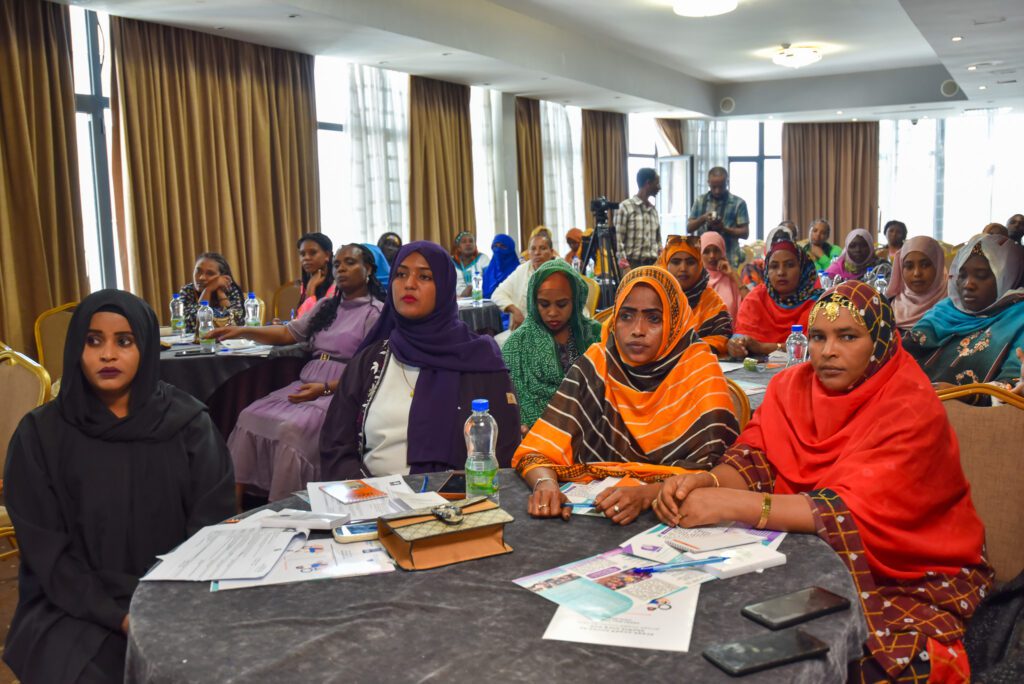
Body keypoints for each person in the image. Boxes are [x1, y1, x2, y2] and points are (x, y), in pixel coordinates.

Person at [653, 281, 992, 682]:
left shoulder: (910, 405)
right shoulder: (790, 388)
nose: (828, 351)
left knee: (855, 664)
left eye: (848, 336)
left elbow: (853, 511)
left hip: (908, 574)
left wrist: (731, 504)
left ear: (881, 341)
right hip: (803, 554)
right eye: (818, 337)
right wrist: (707, 482)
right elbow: (755, 460)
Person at [3, 290, 235, 683]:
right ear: (76, 347)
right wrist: (121, 617)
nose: (107, 355)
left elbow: (210, 532)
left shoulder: (189, 425)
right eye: (93, 341)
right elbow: (49, 555)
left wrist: (164, 606)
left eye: (124, 341)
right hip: (69, 603)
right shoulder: (39, 436)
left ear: (145, 346)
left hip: (174, 596)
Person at [516, 266, 739, 526]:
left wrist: (647, 494)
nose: (637, 330)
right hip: (592, 521)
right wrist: (545, 484)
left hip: (677, 520)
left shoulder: (698, 369)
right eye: (626, 316)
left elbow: (716, 475)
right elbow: (538, 449)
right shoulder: (598, 365)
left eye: (654, 318)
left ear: (675, 321)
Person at [319, 241, 520, 478]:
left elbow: (504, 448)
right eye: (401, 274)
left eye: (424, 277)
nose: (409, 284)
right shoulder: (370, 361)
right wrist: (369, 495)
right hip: (373, 501)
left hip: (460, 502)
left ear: (445, 287)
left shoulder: (481, 359)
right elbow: (336, 446)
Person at [209, 245, 385, 501]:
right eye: (337, 264)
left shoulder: (375, 312)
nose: (341, 269)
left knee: (293, 430)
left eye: (349, 263)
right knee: (249, 416)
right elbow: (288, 333)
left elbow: (371, 369)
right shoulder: (327, 305)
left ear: (367, 269)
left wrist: (325, 388)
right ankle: (232, 509)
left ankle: (285, 507)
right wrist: (241, 330)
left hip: (341, 387)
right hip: (307, 380)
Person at [904, 234, 1024, 389]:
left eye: (981, 276)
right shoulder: (946, 309)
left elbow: (1015, 386)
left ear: (1008, 277)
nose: (968, 284)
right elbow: (906, 347)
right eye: (962, 275)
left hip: (972, 411)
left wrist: (961, 394)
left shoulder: (1018, 320)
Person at [502, 260, 602, 430]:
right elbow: (511, 399)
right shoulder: (517, 344)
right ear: (534, 303)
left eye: (562, 304)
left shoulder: (594, 335)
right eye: (544, 304)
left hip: (594, 430)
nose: (553, 313)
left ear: (576, 301)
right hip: (537, 435)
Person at [728, 239, 823, 358]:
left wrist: (762, 347)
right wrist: (736, 345)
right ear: (767, 270)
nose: (781, 272)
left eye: (789, 265)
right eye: (774, 266)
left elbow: (815, 346)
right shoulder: (756, 298)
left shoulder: (818, 303)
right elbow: (740, 335)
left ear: (802, 268)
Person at [656, 235, 733, 355]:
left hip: (701, 366)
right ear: (665, 264)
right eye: (676, 262)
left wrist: (684, 350)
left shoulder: (712, 301)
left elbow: (723, 338)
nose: (683, 268)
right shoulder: (654, 298)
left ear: (700, 265)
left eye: (690, 262)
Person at [493, 231, 558, 332]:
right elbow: (497, 294)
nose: (537, 253)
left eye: (543, 248)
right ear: (528, 252)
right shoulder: (522, 270)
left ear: (551, 252)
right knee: (491, 342)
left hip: (552, 330)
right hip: (521, 330)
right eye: (533, 249)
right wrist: (515, 310)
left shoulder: (560, 270)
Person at [687, 167, 750, 267]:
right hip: (704, 259)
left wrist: (723, 228)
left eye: (721, 187)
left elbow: (745, 233)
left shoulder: (738, 203)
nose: (717, 191)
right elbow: (689, 227)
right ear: (708, 183)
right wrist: (703, 218)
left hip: (729, 257)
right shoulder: (700, 201)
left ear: (727, 182)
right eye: (714, 187)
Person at [886, 235, 948, 332]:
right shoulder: (888, 308)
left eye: (925, 265)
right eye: (909, 266)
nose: (917, 273)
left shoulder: (954, 307)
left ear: (938, 265)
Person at [178, 252, 245, 331]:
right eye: (198, 271)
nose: (201, 277)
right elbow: (191, 324)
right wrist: (208, 290)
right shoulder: (188, 290)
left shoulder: (231, 290)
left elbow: (237, 324)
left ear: (222, 276)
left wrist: (220, 292)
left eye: (210, 273)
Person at [616, 168, 662, 269]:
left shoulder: (653, 210)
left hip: (653, 265)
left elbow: (658, 241)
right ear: (648, 183)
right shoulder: (625, 207)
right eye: (657, 184)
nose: (659, 188)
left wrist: (661, 262)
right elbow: (618, 240)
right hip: (632, 265)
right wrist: (625, 267)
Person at [701, 232, 741, 319]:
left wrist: (733, 275)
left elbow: (750, 305)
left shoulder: (731, 278)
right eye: (706, 252)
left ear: (723, 252)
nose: (712, 256)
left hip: (732, 332)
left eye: (716, 250)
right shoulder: (696, 280)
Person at [295, 232, 335, 317]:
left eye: (312, 253)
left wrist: (311, 286)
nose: (306, 258)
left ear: (327, 255)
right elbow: (300, 321)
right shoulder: (309, 281)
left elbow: (308, 322)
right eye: (302, 254)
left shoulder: (338, 285)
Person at [450, 231, 490, 297]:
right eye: (464, 242)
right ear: (458, 248)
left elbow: (489, 280)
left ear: (475, 245)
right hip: (457, 300)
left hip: (480, 298)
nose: (468, 244)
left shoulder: (483, 258)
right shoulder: (450, 261)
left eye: (471, 241)